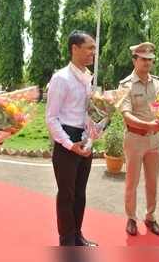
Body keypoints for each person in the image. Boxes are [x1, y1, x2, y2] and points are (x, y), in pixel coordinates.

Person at [46, 30, 98, 246]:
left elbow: (88, 112)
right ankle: (66, 241)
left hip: (84, 139)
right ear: (74, 49)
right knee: (66, 195)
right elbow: (50, 118)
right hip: (66, 141)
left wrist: (93, 133)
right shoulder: (61, 78)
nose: (93, 53)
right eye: (89, 48)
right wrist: (69, 144)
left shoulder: (88, 79)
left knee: (80, 193)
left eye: (94, 49)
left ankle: (78, 236)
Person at [118, 42, 159, 236]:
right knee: (132, 181)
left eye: (150, 60)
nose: (147, 63)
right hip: (135, 139)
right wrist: (149, 126)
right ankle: (131, 217)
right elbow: (126, 115)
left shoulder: (157, 82)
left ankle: (150, 216)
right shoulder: (125, 85)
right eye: (143, 59)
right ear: (134, 60)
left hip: (155, 139)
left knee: (152, 181)